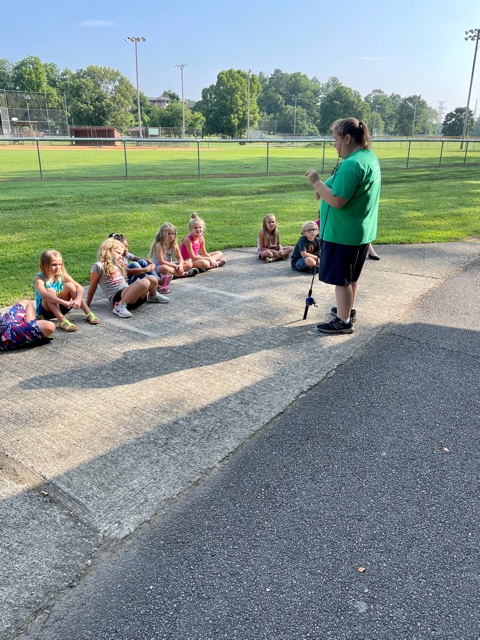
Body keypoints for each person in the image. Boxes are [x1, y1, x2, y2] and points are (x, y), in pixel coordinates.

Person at [305, 117, 381, 335]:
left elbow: (338, 200)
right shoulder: (367, 157)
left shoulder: (352, 165)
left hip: (344, 234)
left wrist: (317, 182)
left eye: (336, 139)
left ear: (347, 138)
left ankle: (343, 321)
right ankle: (348, 309)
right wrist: (325, 187)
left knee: (342, 280)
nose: (334, 145)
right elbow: (344, 188)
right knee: (351, 278)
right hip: (359, 230)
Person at [86, 238, 169, 319]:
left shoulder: (117, 263)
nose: (120, 256)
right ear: (108, 251)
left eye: (121, 254)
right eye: (118, 253)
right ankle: (119, 306)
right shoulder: (98, 266)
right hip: (118, 297)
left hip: (132, 296)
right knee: (144, 283)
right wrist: (87, 304)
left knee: (152, 278)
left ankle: (152, 295)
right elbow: (93, 286)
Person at [34, 249, 100, 332]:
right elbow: (44, 295)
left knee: (70, 285)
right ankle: (62, 320)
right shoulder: (39, 279)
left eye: (59, 264)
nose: (57, 267)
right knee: (49, 292)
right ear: (44, 265)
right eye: (54, 265)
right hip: (45, 312)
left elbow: (80, 287)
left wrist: (78, 299)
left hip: (62, 308)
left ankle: (88, 313)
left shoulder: (62, 275)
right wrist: (64, 302)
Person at [108, 232, 172, 295]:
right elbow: (129, 271)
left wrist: (152, 264)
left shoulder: (126, 254)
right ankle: (155, 286)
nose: (126, 250)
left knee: (142, 261)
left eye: (127, 247)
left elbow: (141, 259)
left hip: (128, 279)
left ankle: (159, 281)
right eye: (123, 247)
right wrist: (147, 269)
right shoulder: (116, 258)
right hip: (123, 283)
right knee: (134, 265)